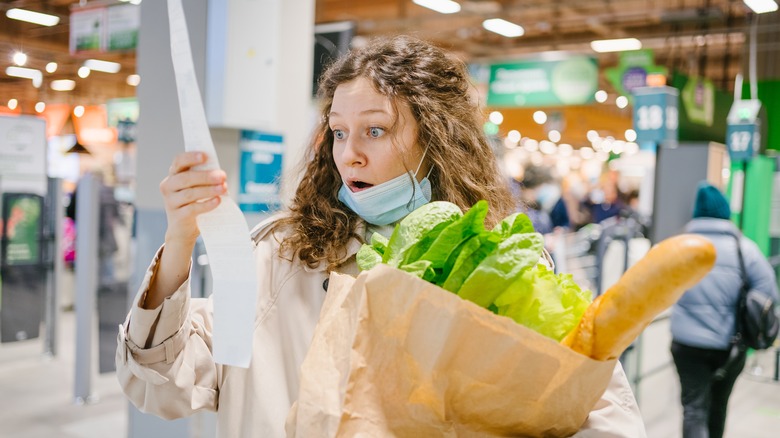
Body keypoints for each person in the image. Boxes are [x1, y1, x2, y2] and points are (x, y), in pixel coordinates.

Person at [116, 36, 646, 437]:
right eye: (339, 132)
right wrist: (181, 240)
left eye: (375, 130)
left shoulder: (501, 264)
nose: (349, 154)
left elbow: (605, 417)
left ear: (436, 140)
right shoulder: (282, 255)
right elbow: (162, 381)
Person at [670, 181, 779, 438]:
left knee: (694, 408)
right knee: (719, 406)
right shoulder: (745, 250)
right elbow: (769, 294)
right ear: (725, 211)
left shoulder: (677, 247)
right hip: (729, 346)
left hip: (686, 345)